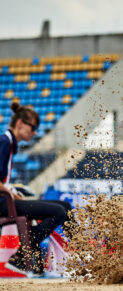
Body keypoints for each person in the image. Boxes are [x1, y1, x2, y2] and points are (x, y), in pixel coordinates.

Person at [0, 102, 73, 276]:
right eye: (33, 128)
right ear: (20, 124)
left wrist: (12, 189)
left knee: (65, 207)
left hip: (5, 200)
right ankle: (19, 256)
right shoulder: (4, 142)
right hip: (2, 204)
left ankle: (79, 250)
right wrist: (10, 192)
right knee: (58, 212)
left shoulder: (9, 144)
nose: (35, 133)